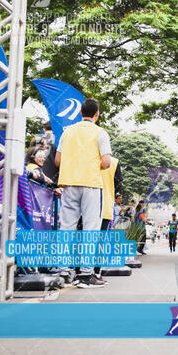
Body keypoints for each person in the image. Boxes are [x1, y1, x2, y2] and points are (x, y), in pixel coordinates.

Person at [55, 98, 111, 288]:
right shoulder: (100, 133)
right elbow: (106, 162)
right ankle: (86, 274)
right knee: (91, 229)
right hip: (91, 185)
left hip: (69, 184)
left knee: (67, 228)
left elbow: (57, 161)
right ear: (97, 114)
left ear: (80, 113)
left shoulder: (67, 132)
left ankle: (63, 273)